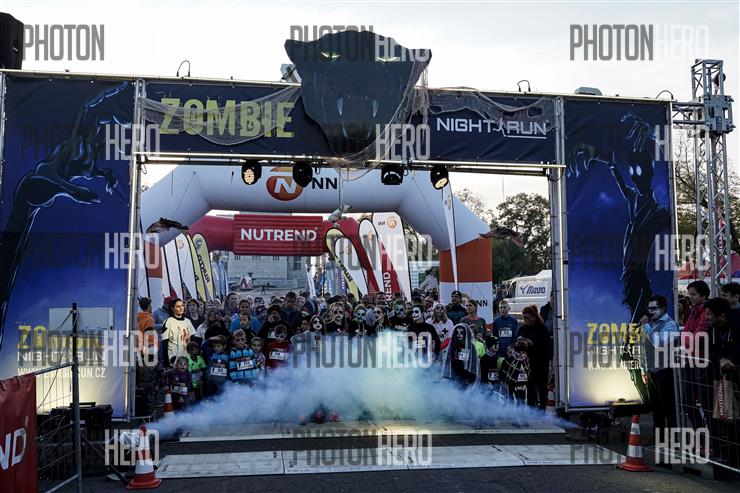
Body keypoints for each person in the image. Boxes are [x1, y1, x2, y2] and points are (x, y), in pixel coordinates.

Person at [705, 297, 740, 465]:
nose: (707, 317)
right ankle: (731, 457)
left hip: (736, 376)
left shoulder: (736, 327)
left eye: (710, 314)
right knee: (726, 417)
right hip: (721, 379)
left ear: (722, 315)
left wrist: (731, 360)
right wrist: (720, 360)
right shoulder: (711, 330)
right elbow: (710, 350)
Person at [639, 294, 679, 434]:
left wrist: (646, 326)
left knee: (669, 408)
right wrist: (644, 369)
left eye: (654, 308)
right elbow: (644, 348)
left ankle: (674, 439)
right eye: (649, 309)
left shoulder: (670, 324)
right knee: (656, 409)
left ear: (663, 308)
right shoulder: (651, 325)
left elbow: (659, 344)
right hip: (652, 371)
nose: (650, 312)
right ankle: (659, 438)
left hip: (666, 371)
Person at [517, 305, 551, 409]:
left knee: (542, 386)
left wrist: (531, 342)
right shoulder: (523, 328)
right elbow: (516, 342)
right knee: (529, 385)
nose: (525, 320)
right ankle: (531, 407)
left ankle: (542, 408)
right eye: (524, 317)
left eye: (527, 317)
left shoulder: (542, 329)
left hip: (541, 362)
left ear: (533, 317)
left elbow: (546, 346)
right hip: (528, 362)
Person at [161, 298, 197, 368]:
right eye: (178, 306)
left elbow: (193, 340)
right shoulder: (168, 322)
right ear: (172, 308)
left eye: (182, 306)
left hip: (187, 358)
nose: (181, 308)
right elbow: (165, 343)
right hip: (174, 359)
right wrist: (166, 363)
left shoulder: (187, 321)